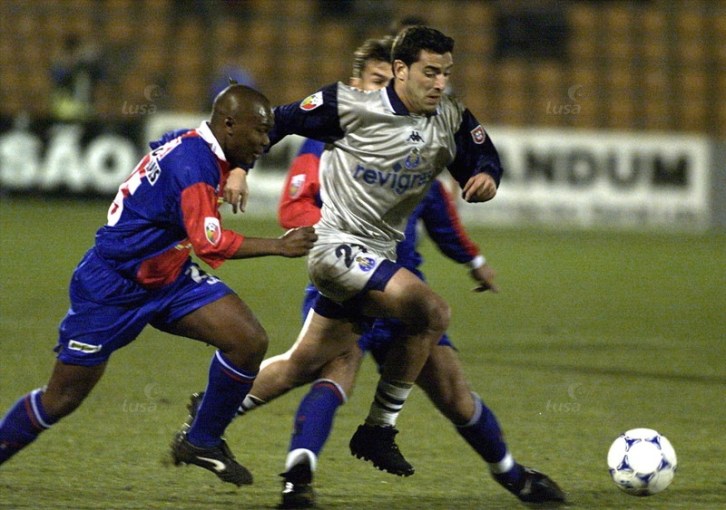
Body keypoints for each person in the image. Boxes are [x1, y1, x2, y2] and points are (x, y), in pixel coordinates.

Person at [188, 35, 565, 508]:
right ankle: (370, 435)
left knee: (430, 386)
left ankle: (514, 478)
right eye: (430, 72)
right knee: (427, 314)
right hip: (338, 251)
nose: (440, 83)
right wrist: (238, 168)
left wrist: (486, 175)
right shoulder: (346, 107)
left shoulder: (449, 117)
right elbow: (276, 120)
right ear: (401, 70)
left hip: (387, 268)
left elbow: (481, 154)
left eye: (446, 73)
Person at [0, 85, 318, 488]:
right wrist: (280, 246)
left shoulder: (194, 142)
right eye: (259, 131)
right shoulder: (193, 168)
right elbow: (211, 243)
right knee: (61, 398)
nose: (265, 141)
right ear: (228, 124)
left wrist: (238, 170)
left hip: (169, 276)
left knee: (248, 340)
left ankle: (201, 440)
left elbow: (164, 147)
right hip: (112, 286)